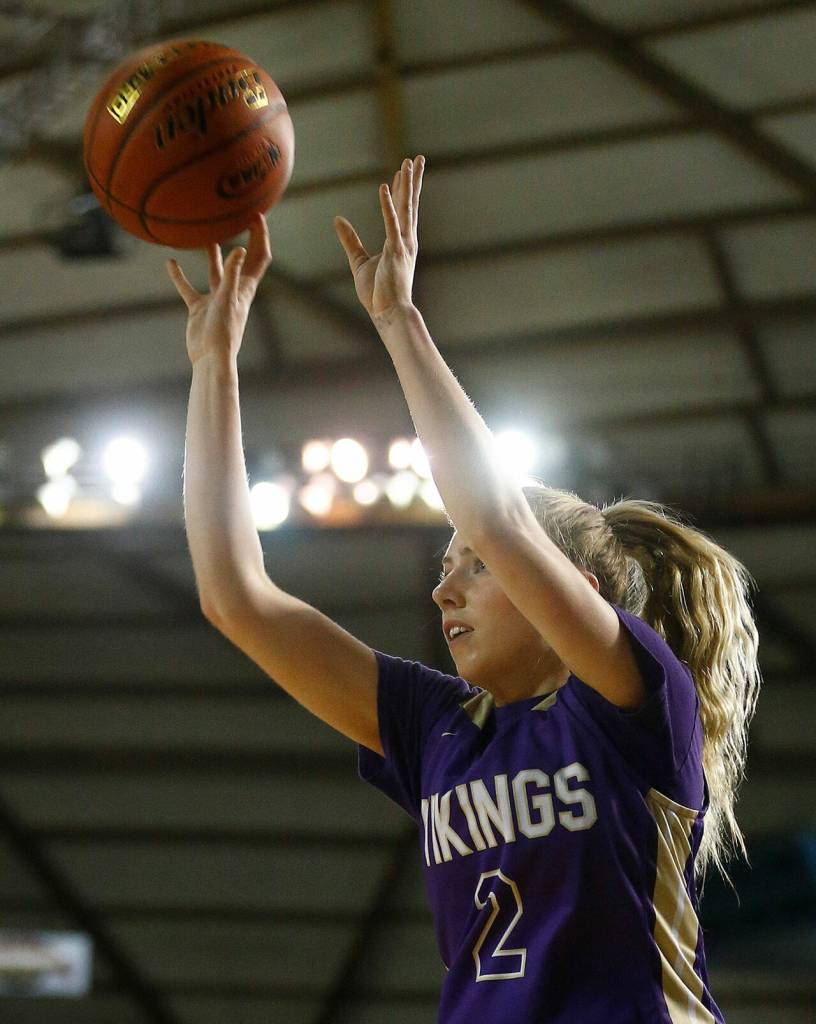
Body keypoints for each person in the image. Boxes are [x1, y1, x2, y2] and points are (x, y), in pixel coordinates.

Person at [168, 157, 762, 1023]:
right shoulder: (437, 730)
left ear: (571, 591)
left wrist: (398, 318)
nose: (444, 592)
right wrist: (213, 361)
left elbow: (496, 516)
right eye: (444, 569)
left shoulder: (636, 706)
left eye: (475, 567)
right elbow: (235, 597)